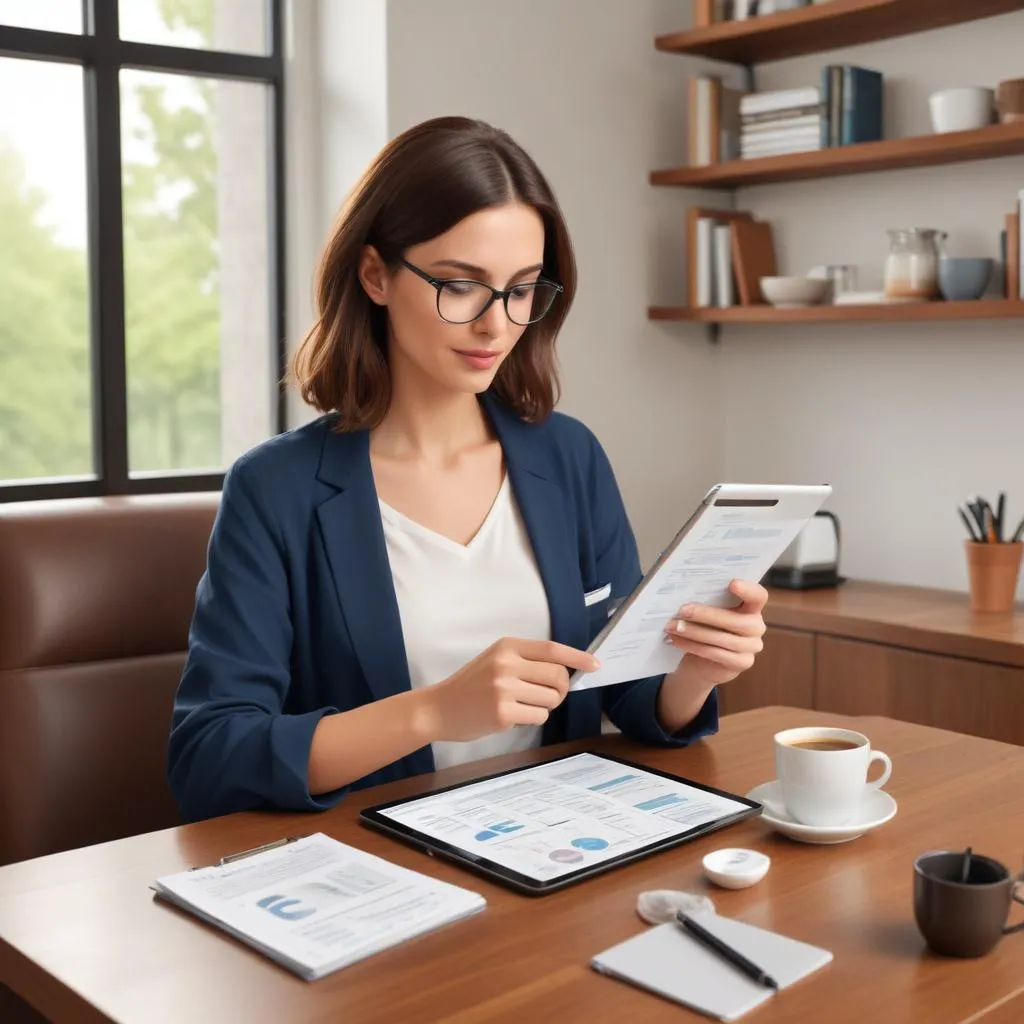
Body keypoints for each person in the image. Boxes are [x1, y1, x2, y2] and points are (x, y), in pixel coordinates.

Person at [167, 116, 768, 823]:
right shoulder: (277, 488)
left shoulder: (569, 458)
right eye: (461, 286)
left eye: (521, 290)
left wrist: (693, 671)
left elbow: (623, 694)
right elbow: (210, 757)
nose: (497, 325)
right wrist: (429, 712)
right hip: (377, 876)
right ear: (374, 276)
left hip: (551, 852)